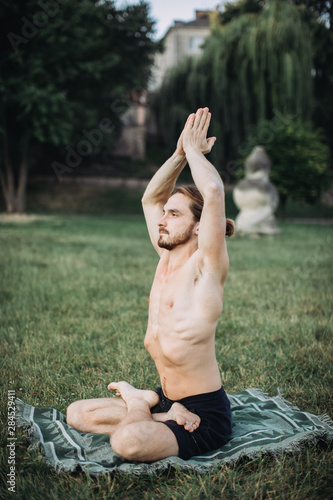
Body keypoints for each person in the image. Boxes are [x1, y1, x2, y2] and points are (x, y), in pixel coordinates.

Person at [67, 107, 234, 462]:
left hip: (204, 416)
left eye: (174, 215)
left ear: (200, 228)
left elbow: (214, 190)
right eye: (165, 213)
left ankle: (142, 408)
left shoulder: (207, 267)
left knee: (129, 443)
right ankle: (151, 408)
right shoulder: (165, 259)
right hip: (169, 400)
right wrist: (177, 154)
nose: (162, 220)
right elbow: (149, 199)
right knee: (78, 414)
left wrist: (193, 150)